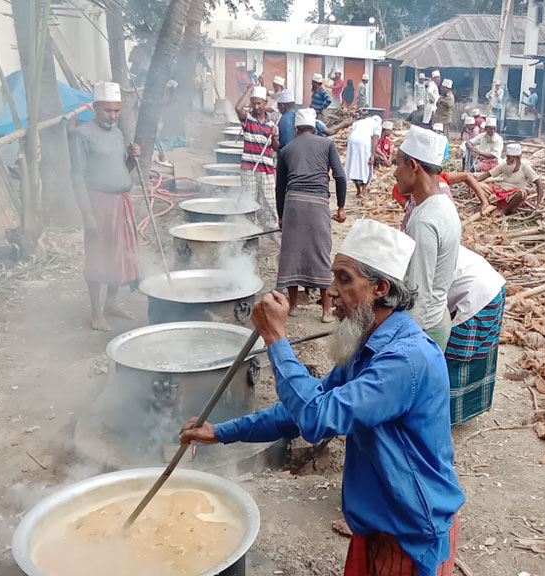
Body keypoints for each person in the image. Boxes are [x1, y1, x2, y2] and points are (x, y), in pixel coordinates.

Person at [180, 218, 465, 576]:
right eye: (334, 277)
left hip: (409, 529)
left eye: (344, 279)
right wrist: (221, 432)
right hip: (378, 518)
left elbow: (317, 419)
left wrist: (276, 340)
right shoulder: (368, 348)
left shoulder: (405, 361)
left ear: (380, 287)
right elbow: (298, 411)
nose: (329, 291)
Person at [68, 82, 141, 332]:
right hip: (99, 203)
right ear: (96, 107)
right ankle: (95, 312)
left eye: (117, 111)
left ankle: (111, 303)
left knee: (118, 255)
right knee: (98, 259)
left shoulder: (118, 133)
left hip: (122, 202)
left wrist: (132, 157)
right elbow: (77, 177)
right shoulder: (82, 135)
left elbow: (122, 169)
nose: (113, 116)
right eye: (108, 111)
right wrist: (87, 215)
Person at [275, 108, 347, 322]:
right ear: (315, 128)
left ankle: (294, 305)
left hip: (293, 204)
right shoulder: (327, 144)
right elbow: (340, 176)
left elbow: (280, 188)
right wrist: (341, 207)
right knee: (321, 253)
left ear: (296, 130)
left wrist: (281, 216)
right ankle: (325, 312)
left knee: (292, 253)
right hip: (318, 205)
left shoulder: (286, 150)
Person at [398, 125, 462, 350]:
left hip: (424, 327)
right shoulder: (444, 204)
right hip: (438, 316)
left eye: (398, 164)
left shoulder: (424, 219)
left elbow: (418, 291)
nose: (395, 173)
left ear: (413, 166)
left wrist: (405, 340)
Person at [446, 247, 505, 426]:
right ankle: (460, 412)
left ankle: (446, 418)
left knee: (457, 358)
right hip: (493, 288)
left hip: (477, 297)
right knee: (478, 354)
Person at [235, 84, 280, 229]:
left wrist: (273, 136)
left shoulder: (272, 122)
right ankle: (248, 228)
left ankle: (272, 228)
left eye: (259, 103)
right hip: (249, 168)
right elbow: (237, 108)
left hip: (266, 168)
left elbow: (275, 147)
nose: (256, 107)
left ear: (265, 103)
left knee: (269, 200)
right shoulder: (247, 119)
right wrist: (248, 89)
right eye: (253, 103)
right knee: (249, 199)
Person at [393, 171, 490, 232]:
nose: (395, 174)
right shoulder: (437, 177)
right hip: (447, 214)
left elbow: (410, 216)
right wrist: (484, 201)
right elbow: (467, 176)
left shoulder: (399, 190)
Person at [475, 142, 545, 214]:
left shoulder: (525, 168)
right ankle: (490, 204)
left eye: (509, 158)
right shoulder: (504, 165)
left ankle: (506, 210)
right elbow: (488, 174)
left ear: (517, 158)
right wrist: (473, 181)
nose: (507, 160)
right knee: (480, 185)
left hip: (513, 195)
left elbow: (539, 183)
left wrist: (538, 202)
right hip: (501, 191)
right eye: (507, 157)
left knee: (521, 193)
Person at [345, 115, 383, 197]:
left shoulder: (359, 122)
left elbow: (351, 133)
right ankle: (363, 191)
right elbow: (375, 139)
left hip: (352, 141)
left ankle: (358, 191)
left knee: (354, 166)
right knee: (367, 166)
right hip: (364, 142)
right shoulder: (377, 125)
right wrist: (372, 155)